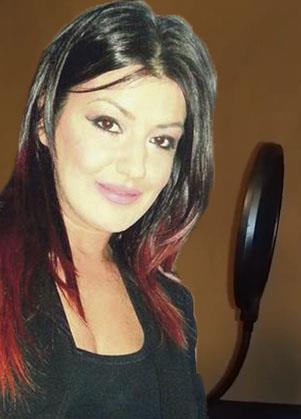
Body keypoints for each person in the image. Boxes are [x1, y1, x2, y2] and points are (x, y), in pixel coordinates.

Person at [0, 1, 215, 417]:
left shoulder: (171, 306)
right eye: (108, 123)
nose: (135, 167)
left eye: (161, 141)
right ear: (45, 119)